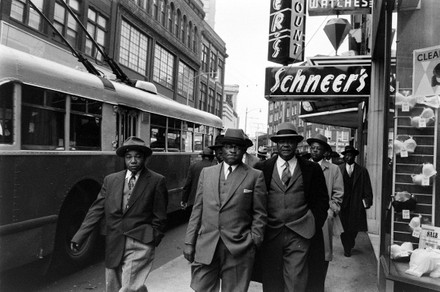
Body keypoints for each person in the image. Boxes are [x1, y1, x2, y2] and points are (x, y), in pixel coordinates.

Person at [71, 136, 168, 292]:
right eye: (129, 157)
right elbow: (96, 210)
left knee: (128, 287)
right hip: (114, 240)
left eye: (138, 157)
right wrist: (81, 235)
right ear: (124, 159)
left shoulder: (156, 181)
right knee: (114, 287)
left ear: (144, 158)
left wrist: (153, 238)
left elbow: (160, 215)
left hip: (140, 241)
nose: (133, 161)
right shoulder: (111, 180)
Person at [183, 128, 267, 292]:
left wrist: (253, 240)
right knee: (201, 287)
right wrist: (189, 242)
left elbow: (260, 213)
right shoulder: (207, 173)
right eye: (229, 146)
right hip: (207, 245)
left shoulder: (255, 176)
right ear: (221, 149)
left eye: (237, 147)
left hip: (239, 247)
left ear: (243, 150)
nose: (233, 150)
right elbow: (197, 211)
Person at [253, 122, 329, 292]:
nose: (286, 145)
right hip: (271, 232)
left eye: (290, 141)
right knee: (272, 280)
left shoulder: (311, 169)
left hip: (300, 233)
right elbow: (253, 202)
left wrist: (313, 223)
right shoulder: (262, 168)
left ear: (296, 144)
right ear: (276, 144)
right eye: (282, 141)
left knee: (296, 280)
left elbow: (322, 201)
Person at [306, 134, 344, 292]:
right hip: (305, 214)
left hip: (324, 216)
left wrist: (331, 211)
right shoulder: (303, 166)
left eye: (319, 149)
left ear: (325, 151)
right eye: (313, 148)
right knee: (304, 251)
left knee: (323, 253)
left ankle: (318, 285)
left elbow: (338, 194)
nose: (315, 151)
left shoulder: (333, 169)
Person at [338, 145, 373, 257]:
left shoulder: (362, 171)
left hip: (356, 203)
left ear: (354, 156)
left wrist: (367, 201)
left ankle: (351, 242)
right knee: (343, 227)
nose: (348, 157)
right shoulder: (339, 169)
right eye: (346, 155)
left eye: (350, 155)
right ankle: (346, 248)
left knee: (354, 227)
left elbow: (367, 187)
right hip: (343, 203)